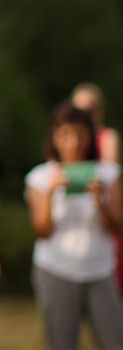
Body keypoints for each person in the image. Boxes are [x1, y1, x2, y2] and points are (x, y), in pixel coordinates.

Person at [24, 102, 123, 350]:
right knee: (61, 344)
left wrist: (100, 201)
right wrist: (49, 193)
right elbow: (40, 232)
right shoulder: (40, 177)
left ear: (91, 136)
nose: (74, 142)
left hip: (99, 269)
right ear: (54, 138)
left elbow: (116, 227)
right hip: (55, 269)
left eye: (80, 134)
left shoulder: (109, 173)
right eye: (65, 134)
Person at [71, 82, 123, 291]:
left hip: (102, 209)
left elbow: (108, 173)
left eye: (89, 108)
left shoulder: (108, 136)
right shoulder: (65, 136)